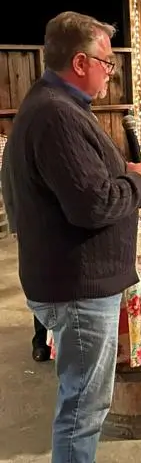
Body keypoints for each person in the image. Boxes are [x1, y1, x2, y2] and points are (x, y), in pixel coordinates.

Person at [6, 11, 141, 463]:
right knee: (83, 409)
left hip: (66, 280)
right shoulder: (58, 114)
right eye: (107, 63)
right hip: (78, 288)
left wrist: (117, 174)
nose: (111, 73)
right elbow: (93, 206)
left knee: (81, 400)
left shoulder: (49, 104)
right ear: (80, 62)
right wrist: (140, 181)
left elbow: (74, 186)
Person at [1, 139, 51, 362]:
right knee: (40, 284)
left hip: (60, 226)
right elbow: (8, 179)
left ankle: (51, 339)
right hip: (33, 226)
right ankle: (41, 340)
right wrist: (16, 224)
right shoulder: (21, 138)